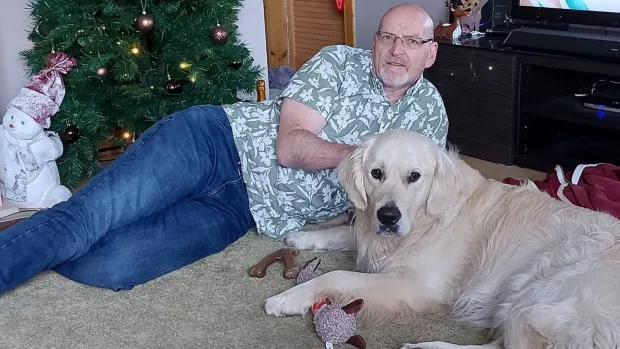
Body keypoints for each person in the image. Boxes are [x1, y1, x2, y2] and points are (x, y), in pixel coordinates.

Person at [0, 3, 448, 294]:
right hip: (213, 143)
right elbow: (291, 148)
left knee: (112, 267)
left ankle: (42, 230)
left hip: (244, 209)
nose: (396, 50)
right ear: (375, 42)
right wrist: (365, 157)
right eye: (388, 36)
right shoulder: (337, 62)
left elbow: (416, 198)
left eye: (411, 41)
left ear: (429, 53)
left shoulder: (429, 116)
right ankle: (54, 230)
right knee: (89, 220)